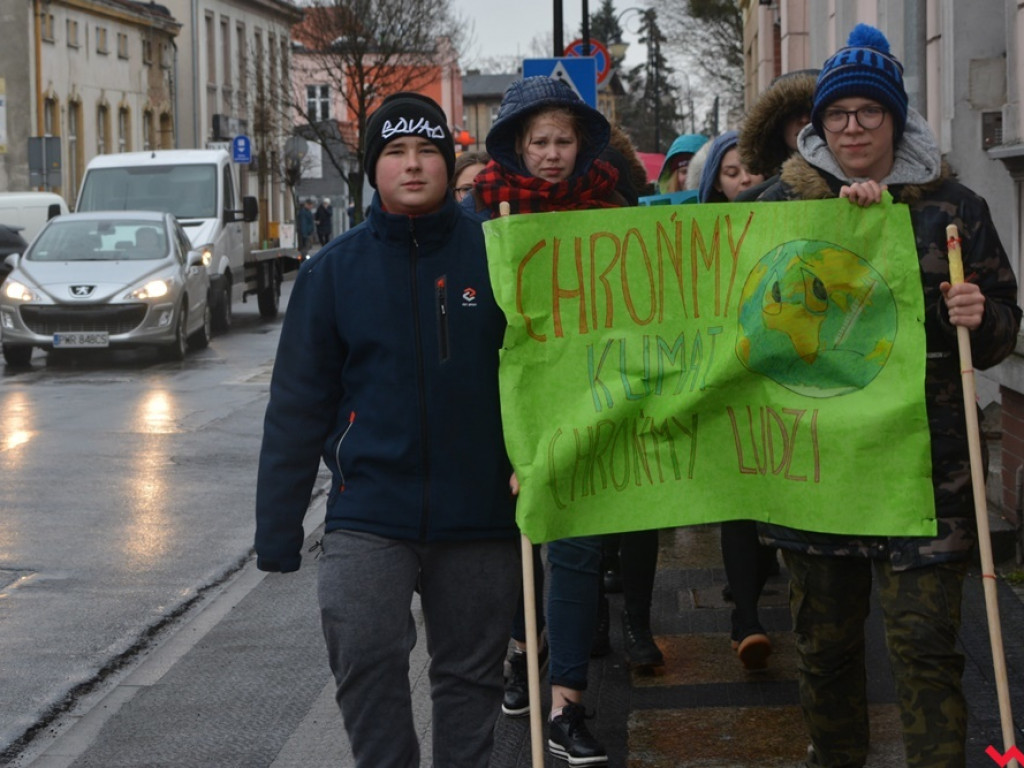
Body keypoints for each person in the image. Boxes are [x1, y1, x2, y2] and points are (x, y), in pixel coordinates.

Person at [757, 25, 1021, 767]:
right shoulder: (781, 209)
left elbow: (1003, 331)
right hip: (819, 474)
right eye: (838, 114)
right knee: (826, 654)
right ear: (818, 125)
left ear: (895, 120)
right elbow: (743, 330)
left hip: (926, 474)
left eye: (870, 112)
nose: (852, 127)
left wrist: (984, 316)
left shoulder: (954, 210)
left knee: (927, 653)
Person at [254, 92, 521, 768]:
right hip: (369, 509)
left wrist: (537, 461)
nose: (412, 165)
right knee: (363, 653)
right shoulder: (332, 273)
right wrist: (277, 530)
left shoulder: (499, 257)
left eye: (427, 151)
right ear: (373, 168)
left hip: (481, 511)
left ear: (446, 161)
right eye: (395, 153)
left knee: (470, 677)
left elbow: (544, 376)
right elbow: (296, 406)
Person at [469, 75, 626, 766]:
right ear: (517, 145)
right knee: (514, 549)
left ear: (583, 145)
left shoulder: (613, 210)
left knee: (578, 551)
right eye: (540, 141)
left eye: (565, 141)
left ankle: (567, 704)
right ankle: (518, 648)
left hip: (588, 405)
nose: (554, 154)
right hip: (508, 412)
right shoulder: (480, 220)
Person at [695, 130, 776, 670]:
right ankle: (745, 619)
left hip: (779, 385)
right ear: (715, 185)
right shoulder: (698, 243)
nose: (744, 178)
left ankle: (753, 590)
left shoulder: (794, 223)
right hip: (728, 386)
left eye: (750, 168)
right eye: (731, 172)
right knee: (740, 503)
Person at [735, 69, 817, 202]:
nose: (804, 119)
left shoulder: (857, 185)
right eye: (793, 111)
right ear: (777, 122)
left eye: (812, 110)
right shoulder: (752, 201)